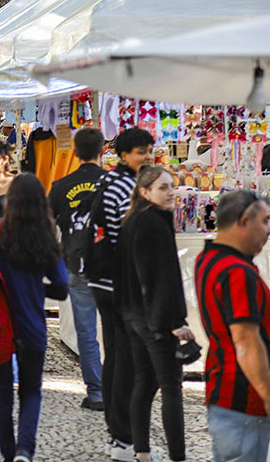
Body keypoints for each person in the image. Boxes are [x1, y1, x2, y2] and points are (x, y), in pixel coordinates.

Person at [0, 174, 68, 462]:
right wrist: (37, 287)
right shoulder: (45, 236)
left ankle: (8, 454)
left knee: (1, 394)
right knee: (30, 392)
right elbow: (62, 287)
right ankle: (25, 450)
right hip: (32, 326)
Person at [115, 166, 193, 462]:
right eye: (163, 187)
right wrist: (172, 323)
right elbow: (157, 279)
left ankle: (142, 452)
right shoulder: (153, 222)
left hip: (135, 316)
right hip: (154, 320)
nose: (171, 192)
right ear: (145, 192)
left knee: (145, 383)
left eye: (172, 186)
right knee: (170, 386)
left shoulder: (134, 220)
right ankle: (177, 456)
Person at [87, 127, 154, 461]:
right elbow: (126, 236)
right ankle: (122, 434)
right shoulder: (126, 186)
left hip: (103, 279)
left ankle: (115, 431)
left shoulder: (109, 180)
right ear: (124, 155)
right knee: (127, 357)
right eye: (141, 152)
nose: (148, 157)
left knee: (115, 353)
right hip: (118, 282)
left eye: (149, 150)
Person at [196, 190, 270, 461]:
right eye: (265, 221)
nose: (268, 230)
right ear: (244, 221)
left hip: (224, 392)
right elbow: (246, 342)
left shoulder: (209, 259)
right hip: (244, 401)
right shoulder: (237, 272)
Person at [48, 127, 106, 412]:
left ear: (74, 152)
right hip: (110, 266)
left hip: (77, 263)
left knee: (86, 331)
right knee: (116, 329)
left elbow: (48, 224)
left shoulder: (61, 186)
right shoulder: (114, 182)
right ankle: (118, 386)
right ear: (103, 150)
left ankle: (96, 392)